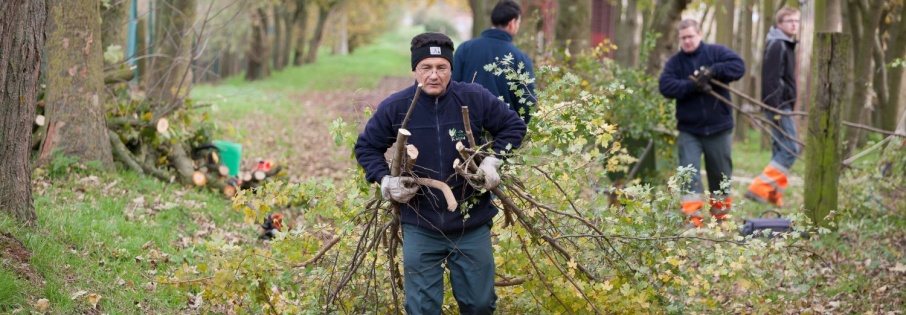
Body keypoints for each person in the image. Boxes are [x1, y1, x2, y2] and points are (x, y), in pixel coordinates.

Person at [354, 32, 527, 314]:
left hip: (470, 223)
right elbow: (366, 147)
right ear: (414, 69)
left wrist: (493, 161)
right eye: (426, 67)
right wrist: (386, 180)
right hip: (421, 224)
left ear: (451, 69)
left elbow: (514, 127)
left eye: (441, 67)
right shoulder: (397, 107)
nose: (434, 75)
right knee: (422, 308)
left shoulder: (473, 98)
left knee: (480, 304)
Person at [658, 19, 746, 228]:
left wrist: (712, 72)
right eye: (683, 38)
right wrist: (692, 85)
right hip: (690, 130)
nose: (687, 41)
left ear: (699, 34)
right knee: (688, 174)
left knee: (720, 175)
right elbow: (666, 86)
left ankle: (721, 219)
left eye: (690, 37)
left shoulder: (716, 53)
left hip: (719, 128)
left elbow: (738, 67)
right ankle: (693, 220)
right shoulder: (675, 63)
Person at [745, 7, 800, 207]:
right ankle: (759, 187)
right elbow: (771, 80)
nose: (794, 24)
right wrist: (776, 109)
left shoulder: (785, 43)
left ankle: (773, 193)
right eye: (789, 21)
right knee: (791, 149)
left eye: (796, 21)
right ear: (779, 24)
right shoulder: (777, 44)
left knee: (780, 148)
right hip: (778, 106)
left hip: (782, 105)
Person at [452, 0, 536, 123]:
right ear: (512, 23)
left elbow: (452, 88)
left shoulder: (464, 49)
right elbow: (527, 103)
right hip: (504, 131)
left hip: (467, 126)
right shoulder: (520, 58)